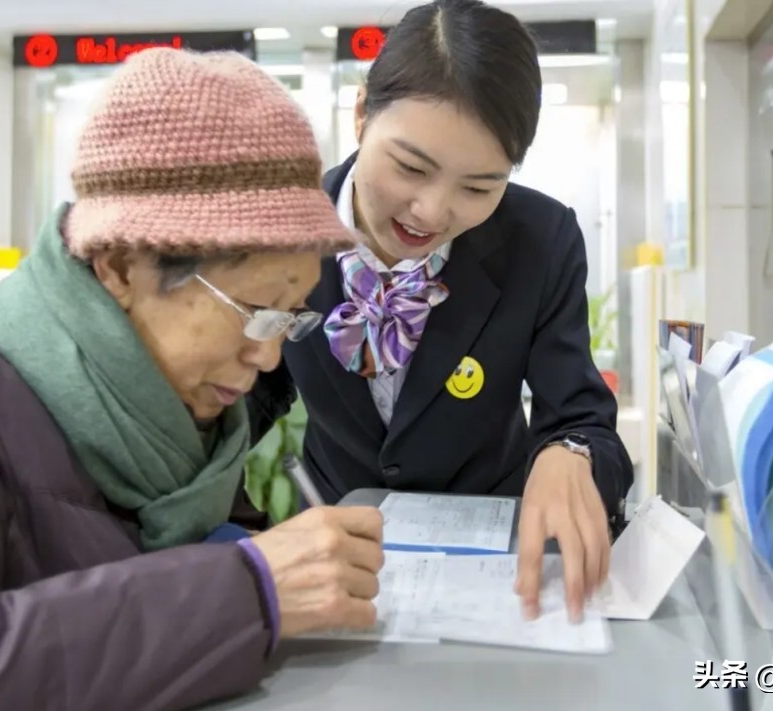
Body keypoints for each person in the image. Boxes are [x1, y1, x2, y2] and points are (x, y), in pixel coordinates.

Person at [0, 48, 385, 711]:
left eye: (291, 317)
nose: (267, 356)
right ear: (118, 267)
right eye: (254, 312)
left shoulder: (183, 416)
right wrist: (240, 591)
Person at [249, 0, 633, 624]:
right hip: (332, 544)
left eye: (478, 188)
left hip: (495, 565)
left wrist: (572, 455)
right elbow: (247, 392)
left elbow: (582, 416)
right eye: (409, 167)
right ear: (361, 114)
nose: (430, 212)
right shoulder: (287, 227)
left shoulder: (541, 240)